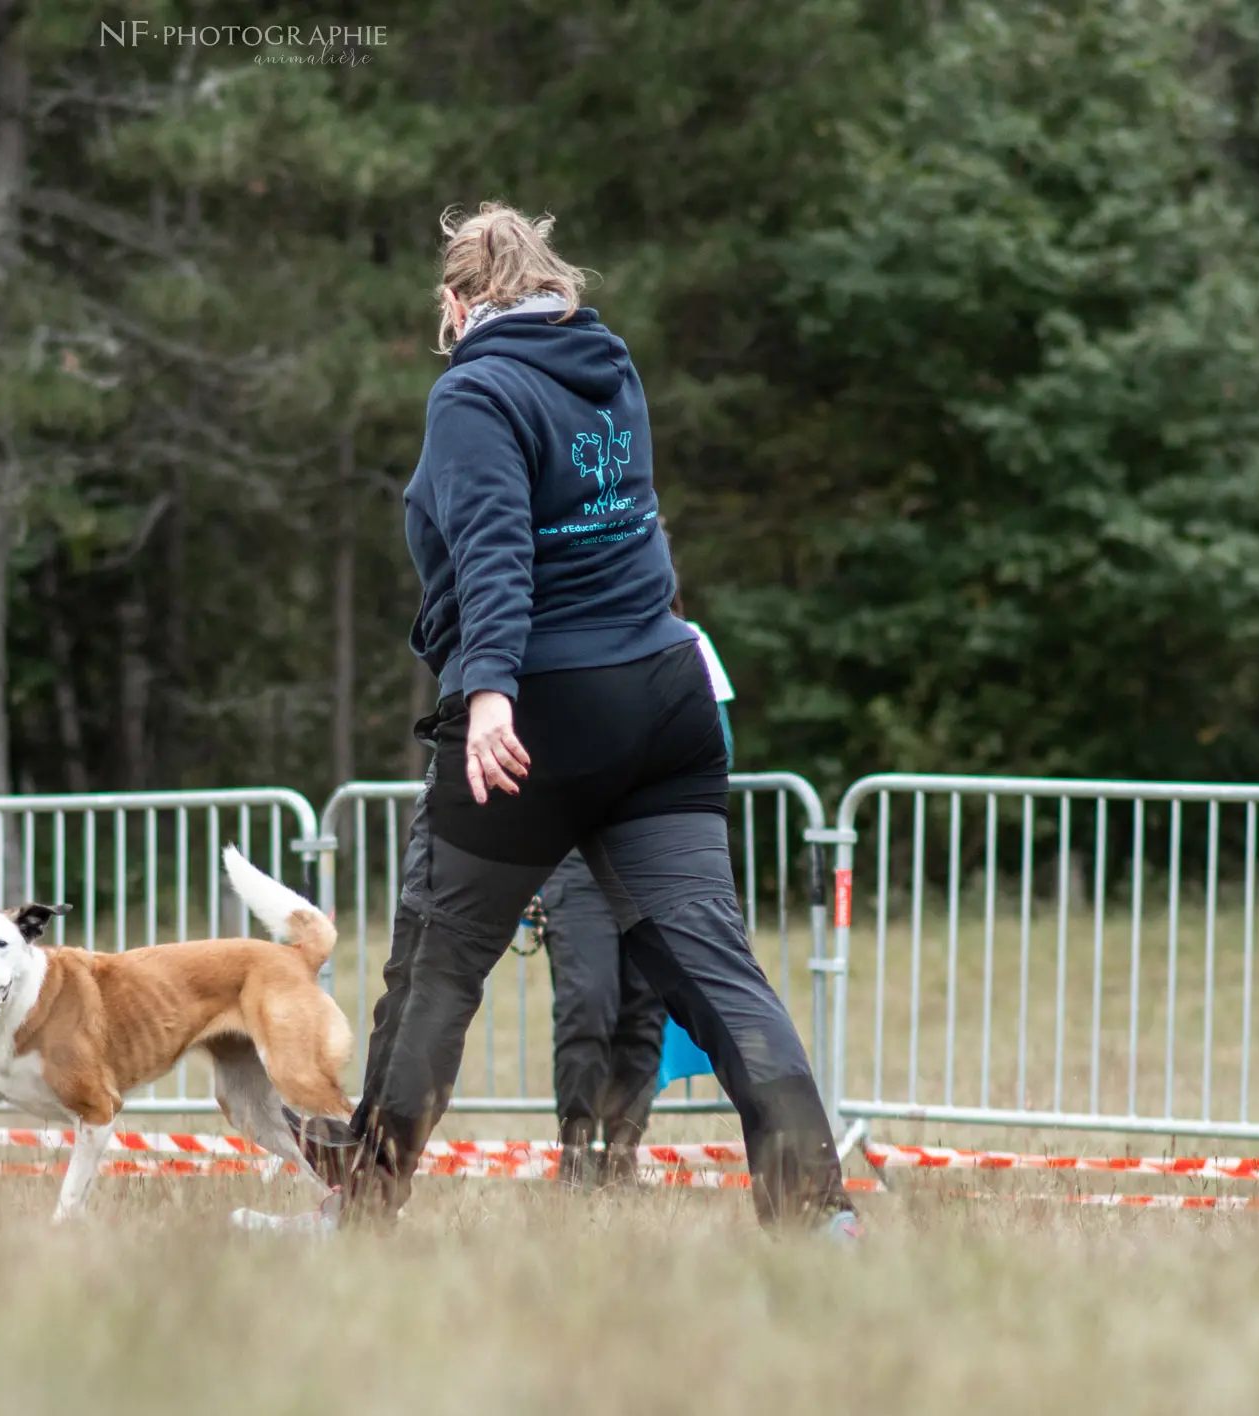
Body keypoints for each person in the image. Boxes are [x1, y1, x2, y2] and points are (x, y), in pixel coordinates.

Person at [237, 202, 857, 1237]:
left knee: (434, 968)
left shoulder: (473, 391)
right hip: (665, 696)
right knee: (715, 970)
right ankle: (817, 1214)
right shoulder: (606, 364)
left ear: (456, 302)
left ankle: (359, 1213)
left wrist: (486, 695)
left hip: (542, 709)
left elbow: (493, 550)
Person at [535, 585, 734, 1192]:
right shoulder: (563, 641)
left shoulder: (692, 645)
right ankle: (574, 1157)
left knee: (645, 1010)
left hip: (653, 851)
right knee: (587, 1002)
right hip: (575, 856)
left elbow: (716, 745)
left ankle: (621, 1156)